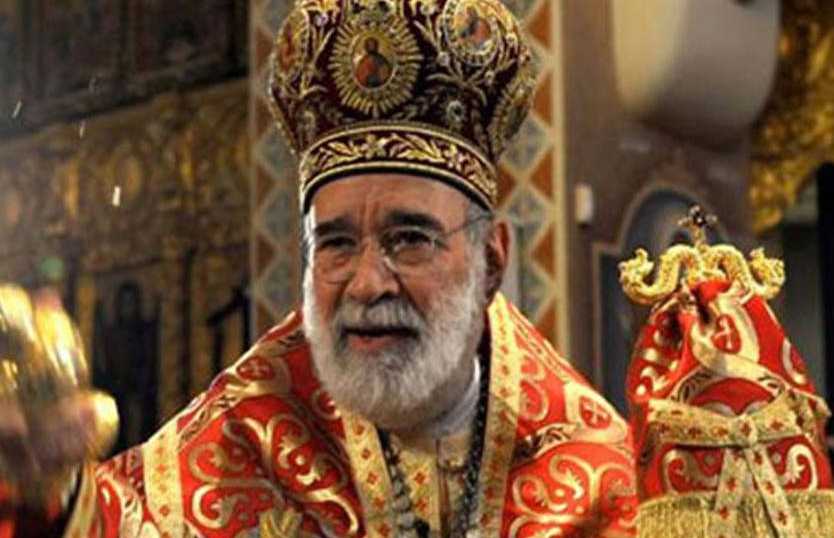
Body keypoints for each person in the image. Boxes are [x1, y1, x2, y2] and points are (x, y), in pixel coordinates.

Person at [0, 0, 638, 536]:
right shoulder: (247, 432)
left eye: (409, 239)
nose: (367, 283)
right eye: (335, 243)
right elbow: (109, 520)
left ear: (491, 259)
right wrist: (46, 495)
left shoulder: (597, 478)